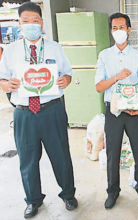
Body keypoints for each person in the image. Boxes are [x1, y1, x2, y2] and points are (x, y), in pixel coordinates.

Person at [0, 2, 77, 218]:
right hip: (24, 112)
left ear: (41, 22)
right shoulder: (11, 51)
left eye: (35, 21)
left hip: (52, 110)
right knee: (27, 158)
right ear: (20, 24)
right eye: (26, 22)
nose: (31, 25)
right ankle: (33, 200)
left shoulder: (54, 47)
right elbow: (2, 79)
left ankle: (68, 194)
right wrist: (6, 85)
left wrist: (65, 80)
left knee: (61, 155)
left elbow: (68, 73)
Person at [95, 12, 138, 209]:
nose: (118, 31)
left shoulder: (137, 56)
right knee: (113, 154)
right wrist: (117, 77)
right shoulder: (104, 56)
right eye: (114, 28)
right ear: (111, 31)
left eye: (122, 27)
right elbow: (99, 86)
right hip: (114, 112)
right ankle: (112, 191)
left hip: (134, 113)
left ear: (129, 30)